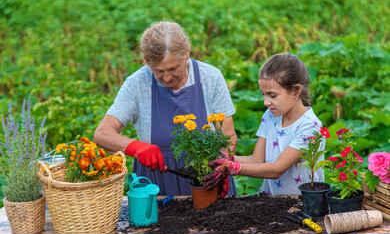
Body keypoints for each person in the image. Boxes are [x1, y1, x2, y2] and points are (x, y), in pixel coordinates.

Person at [94, 21, 238, 196]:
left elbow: (228, 134)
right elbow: (102, 134)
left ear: (187, 54)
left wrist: (223, 163)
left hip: (207, 181)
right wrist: (136, 147)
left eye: (173, 68)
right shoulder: (137, 83)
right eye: (158, 71)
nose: (167, 77)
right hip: (156, 184)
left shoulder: (210, 77)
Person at [202, 53, 325, 195]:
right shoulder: (271, 116)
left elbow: (277, 169)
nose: (266, 102)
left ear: (296, 91)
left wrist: (233, 168)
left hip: (302, 203)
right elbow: (256, 159)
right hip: (271, 201)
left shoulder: (310, 126)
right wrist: (229, 159)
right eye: (263, 94)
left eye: (272, 95)